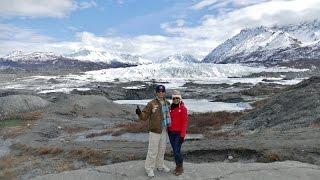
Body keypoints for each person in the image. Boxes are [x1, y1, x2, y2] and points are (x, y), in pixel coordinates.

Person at [136, 84, 171, 177]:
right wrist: (139, 113)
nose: (161, 93)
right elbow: (144, 116)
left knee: (162, 150)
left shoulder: (167, 103)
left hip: (164, 130)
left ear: (164, 93)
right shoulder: (151, 104)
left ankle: (160, 165)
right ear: (156, 93)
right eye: (159, 91)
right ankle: (149, 169)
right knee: (152, 151)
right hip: (154, 131)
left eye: (162, 91)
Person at [168, 90, 188, 176]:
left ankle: (180, 166)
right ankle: (177, 166)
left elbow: (185, 122)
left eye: (177, 98)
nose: (176, 99)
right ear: (172, 99)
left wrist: (183, 135)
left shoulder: (183, 109)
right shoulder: (171, 108)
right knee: (175, 150)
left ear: (180, 98)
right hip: (171, 132)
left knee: (176, 151)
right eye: (174, 98)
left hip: (178, 134)